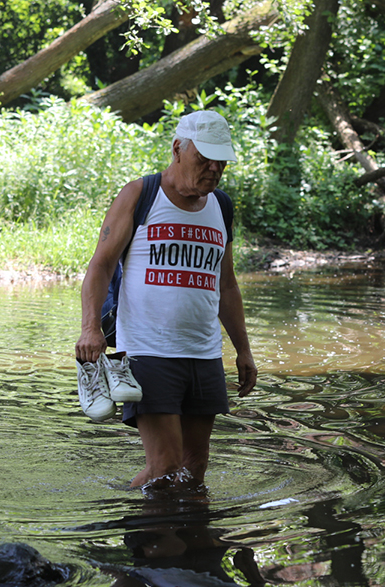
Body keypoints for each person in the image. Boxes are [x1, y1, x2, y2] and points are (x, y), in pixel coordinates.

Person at [75, 110, 258, 491]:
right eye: (203, 159)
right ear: (177, 148)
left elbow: (226, 285)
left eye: (220, 161)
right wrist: (90, 328)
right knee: (166, 466)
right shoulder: (140, 195)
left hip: (204, 352)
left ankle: (191, 545)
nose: (213, 168)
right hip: (147, 351)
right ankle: (124, 520)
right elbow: (100, 266)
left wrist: (243, 350)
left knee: (194, 469)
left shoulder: (220, 206)